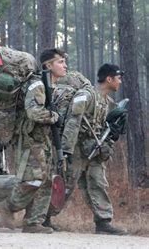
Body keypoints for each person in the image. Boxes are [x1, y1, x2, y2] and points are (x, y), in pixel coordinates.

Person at [0, 48, 67, 233]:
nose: (65, 65)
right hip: (30, 141)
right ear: (48, 66)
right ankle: (8, 206)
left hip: (42, 141)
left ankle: (33, 221)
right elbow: (33, 112)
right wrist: (54, 117)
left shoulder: (51, 86)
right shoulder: (38, 85)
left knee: (45, 182)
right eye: (60, 61)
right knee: (32, 179)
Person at [60, 64, 127, 235]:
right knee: (67, 184)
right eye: (118, 77)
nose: (120, 81)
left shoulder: (106, 102)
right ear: (109, 79)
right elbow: (73, 121)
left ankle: (103, 221)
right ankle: (42, 217)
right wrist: (66, 150)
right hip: (75, 148)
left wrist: (112, 132)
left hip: (93, 149)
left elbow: (101, 128)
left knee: (98, 182)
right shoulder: (87, 95)